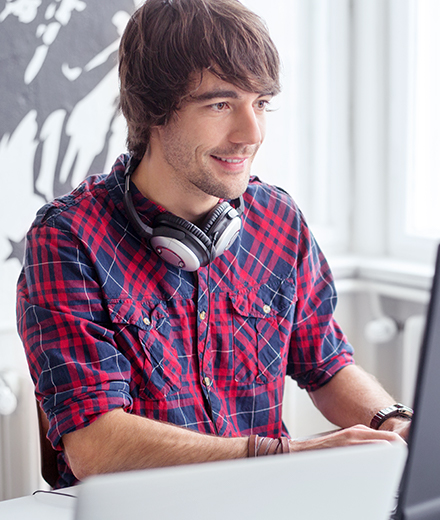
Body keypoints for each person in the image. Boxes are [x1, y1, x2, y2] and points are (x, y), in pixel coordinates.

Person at [16, 0, 412, 489]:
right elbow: (96, 447)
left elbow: (327, 365)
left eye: (261, 103)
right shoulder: (69, 239)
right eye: (221, 104)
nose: (252, 133)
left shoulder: (278, 219)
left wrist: (392, 422)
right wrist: (292, 456)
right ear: (153, 108)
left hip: (265, 502)